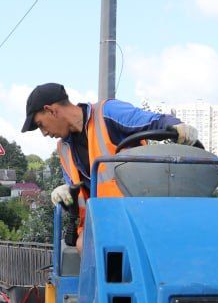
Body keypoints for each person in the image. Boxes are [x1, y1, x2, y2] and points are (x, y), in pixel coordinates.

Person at [21, 83, 197, 248]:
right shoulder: (63, 148)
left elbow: (153, 121)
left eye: (40, 125)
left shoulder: (107, 113)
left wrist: (176, 127)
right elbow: (77, 189)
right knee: (84, 244)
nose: (44, 133)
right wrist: (66, 192)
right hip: (103, 222)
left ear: (51, 110)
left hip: (138, 212)